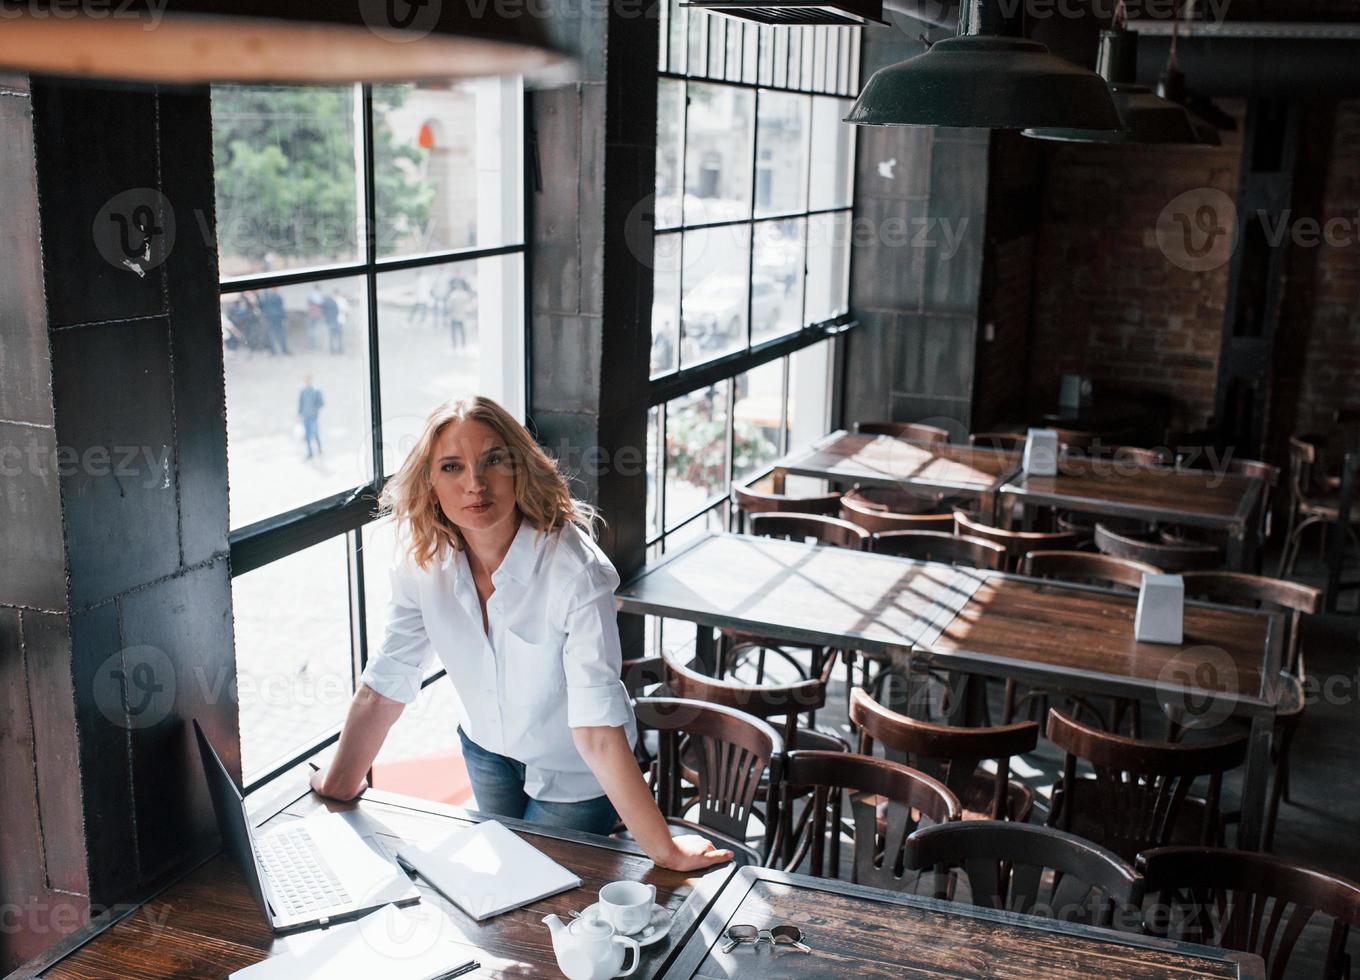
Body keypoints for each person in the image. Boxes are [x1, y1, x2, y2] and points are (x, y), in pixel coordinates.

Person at [309, 397, 732, 873]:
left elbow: (595, 732)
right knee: (500, 891)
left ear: (520, 468)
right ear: (430, 483)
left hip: (571, 770)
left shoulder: (576, 572)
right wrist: (339, 784)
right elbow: (387, 683)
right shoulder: (423, 566)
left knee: (537, 892)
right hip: (485, 749)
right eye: (452, 466)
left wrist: (665, 850)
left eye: (493, 460)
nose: (475, 484)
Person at [298, 375, 324, 460]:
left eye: (308, 380)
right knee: (307, 435)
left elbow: (321, 403)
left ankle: (319, 448)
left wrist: (315, 409)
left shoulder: (316, 391)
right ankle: (310, 453)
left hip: (313, 417)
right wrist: (299, 414)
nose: (307, 382)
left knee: (315, 433)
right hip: (306, 417)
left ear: (311, 381)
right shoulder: (303, 391)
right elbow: (300, 403)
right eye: (305, 380)